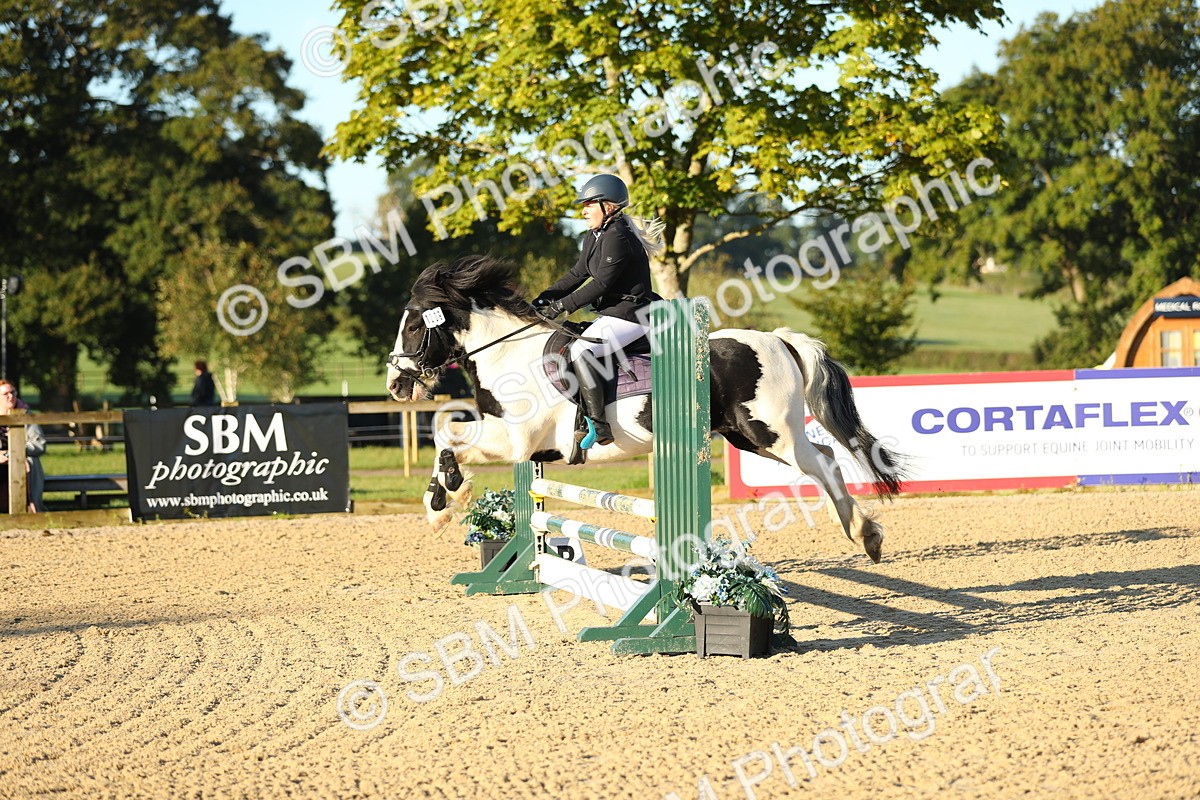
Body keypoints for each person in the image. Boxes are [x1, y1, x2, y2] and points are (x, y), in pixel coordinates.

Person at [532, 174, 664, 449]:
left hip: (633, 314)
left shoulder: (619, 236)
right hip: (614, 314)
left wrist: (562, 306)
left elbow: (601, 283)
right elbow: (577, 274)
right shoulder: (595, 236)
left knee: (582, 350)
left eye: (589, 204)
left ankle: (599, 424)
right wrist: (546, 297)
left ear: (609, 205)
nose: (583, 210)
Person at [0, 380, 47, 513]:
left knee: (30, 462)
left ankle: (30, 508)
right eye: (5, 394)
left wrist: (14, 452)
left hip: (21, 460)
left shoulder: (26, 415)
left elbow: (39, 444)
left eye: (13, 392)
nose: (10, 396)